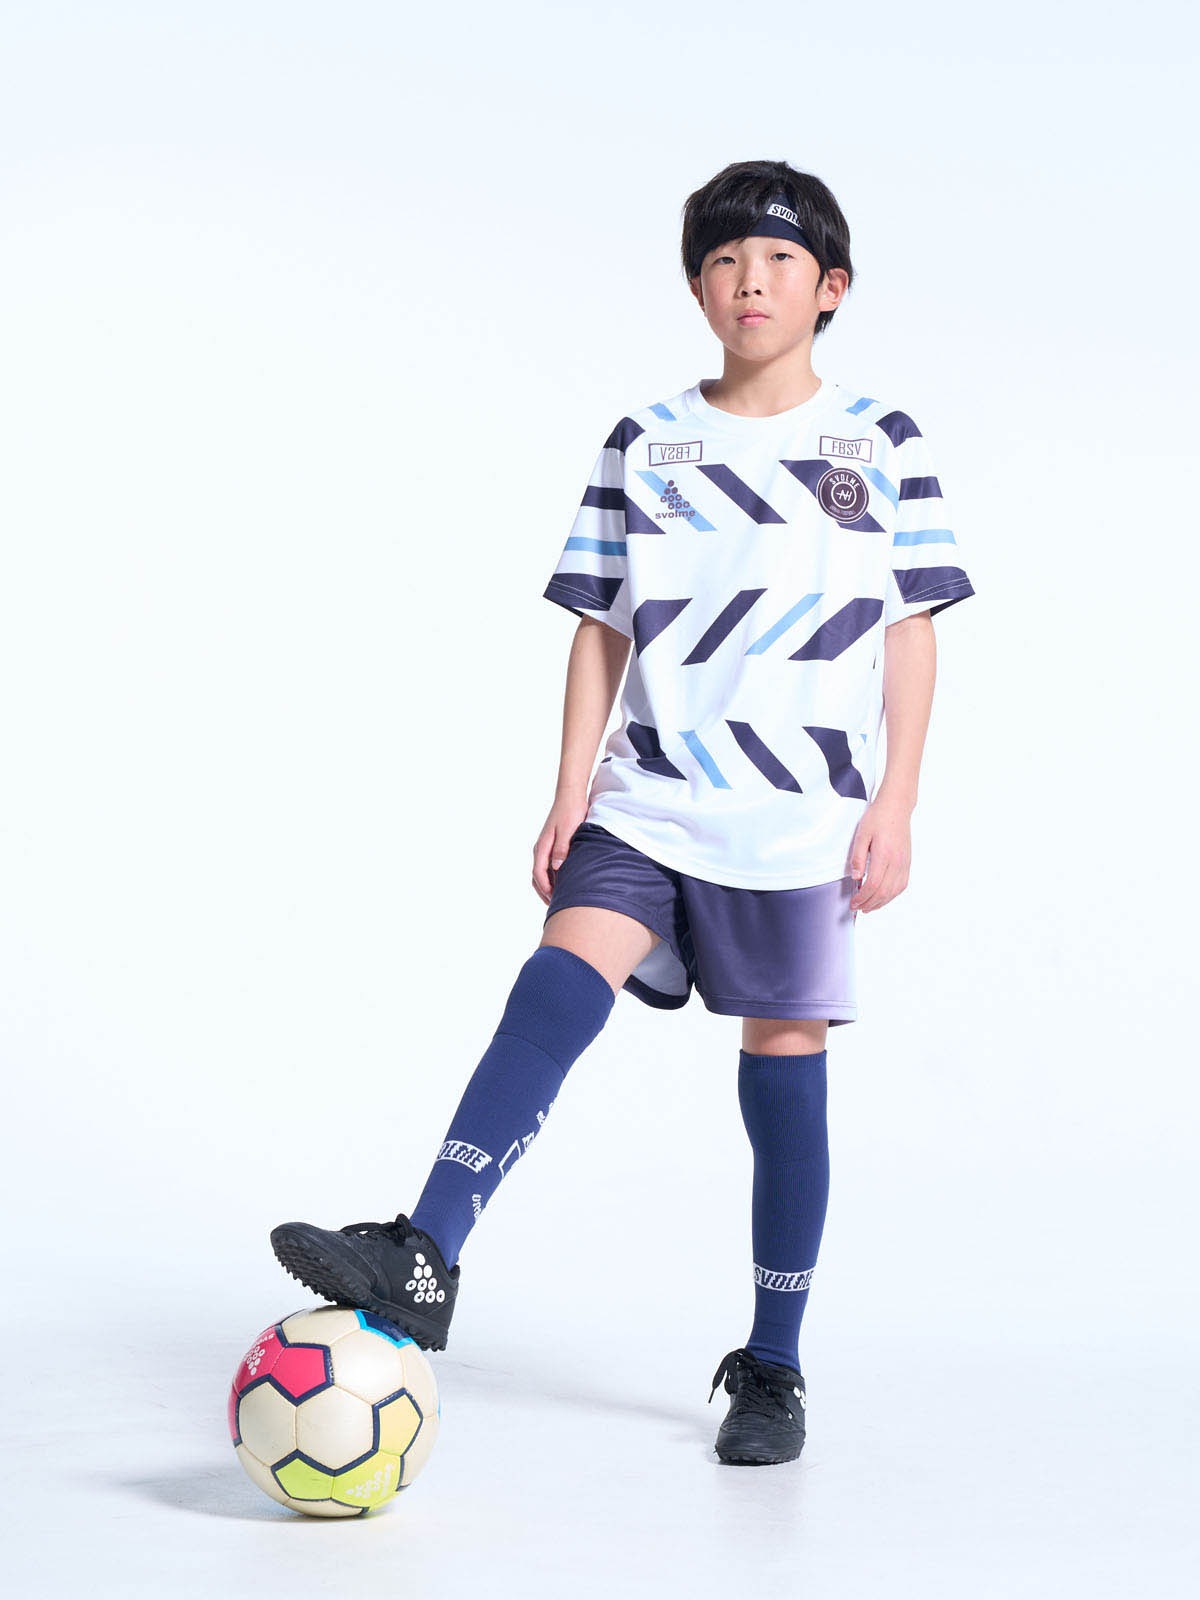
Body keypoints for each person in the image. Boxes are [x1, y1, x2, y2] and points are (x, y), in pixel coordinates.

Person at [270, 157, 976, 1467]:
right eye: (723, 261)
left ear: (830, 288)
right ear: (696, 289)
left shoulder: (881, 441)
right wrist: (567, 788)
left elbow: (914, 626)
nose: (749, 280)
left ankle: (774, 1367)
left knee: (783, 1074)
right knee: (556, 980)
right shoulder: (644, 442)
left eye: (777, 260)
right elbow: (600, 624)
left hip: (798, 819)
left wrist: (900, 800)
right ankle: (427, 1252)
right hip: (649, 793)